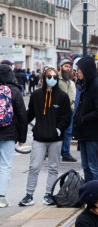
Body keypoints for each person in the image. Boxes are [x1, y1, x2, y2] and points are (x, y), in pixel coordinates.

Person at [18, 68, 72, 206]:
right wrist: (18, 121)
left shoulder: (63, 96)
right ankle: (29, 195)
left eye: (54, 76)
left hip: (56, 139)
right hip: (39, 137)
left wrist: (59, 130)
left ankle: (49, 194)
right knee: (34, 167)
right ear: (44, 78)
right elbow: (30, 113)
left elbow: (66, 116)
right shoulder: (36, 95)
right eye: (49, 76)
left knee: (53, 167)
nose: (52, 79)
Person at [73, 56, 98, 183]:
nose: (77, 72)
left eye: (79, 69)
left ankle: (97, 193)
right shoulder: (83, 85)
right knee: (86, 166)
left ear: (86, 70)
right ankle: (88, 192)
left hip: (91, 132)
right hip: (82, 131)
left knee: (94, 166)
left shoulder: (95, 86)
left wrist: (84, 118)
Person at [0, 65, 28, 207]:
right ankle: (1, 197)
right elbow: (22, 115)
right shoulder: (15, 91)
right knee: (5, 165)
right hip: (9, 133)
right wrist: (22, 137)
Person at [58, 59, 77, 163]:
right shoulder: (56, 79)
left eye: (69, 67)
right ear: (60, 67)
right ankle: (55, 152)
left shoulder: (70, 81)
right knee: (58, 132)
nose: (68, 69)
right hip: (59, 111)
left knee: (68, 133)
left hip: (70, 111)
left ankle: (65, 153)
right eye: (66, 66)